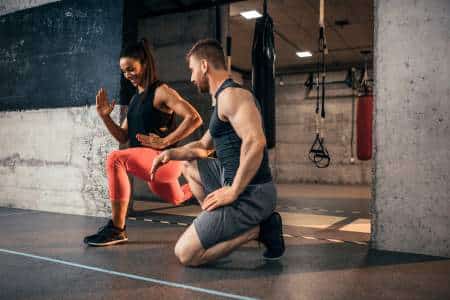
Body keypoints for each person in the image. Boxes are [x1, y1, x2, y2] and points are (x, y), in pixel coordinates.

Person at [151, 39, 285, 266]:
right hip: (232, 180)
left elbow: (255, 141)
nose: (192, 78)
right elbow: (203, 147)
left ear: (204, 66)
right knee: (189, 165)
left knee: (185, 254)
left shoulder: (232, 96)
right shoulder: (221, 100)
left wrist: (233, 190)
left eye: (193, 70)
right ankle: (214, 218)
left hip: (252, 193)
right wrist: (170, 153)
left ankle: (258, 230)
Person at [84, 38, 202, 246]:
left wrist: (165, 141)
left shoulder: (161, 91)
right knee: (176, 197)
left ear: (145, 64)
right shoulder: (135, 99)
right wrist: (105, 117)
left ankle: (117, 228)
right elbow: (123, 136)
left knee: (115, 159)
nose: (127, 75)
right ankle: (205, 184)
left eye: (131, 69)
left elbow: (194, 118)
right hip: (152, 167)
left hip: (164, 160)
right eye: (124, 71)